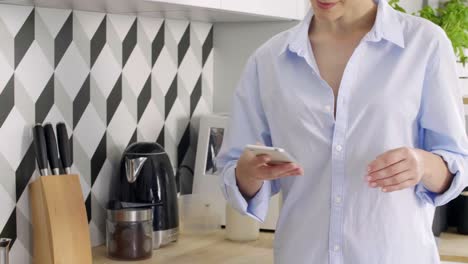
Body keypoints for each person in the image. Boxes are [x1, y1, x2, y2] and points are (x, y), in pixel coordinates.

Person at [216, 0, 468, 263]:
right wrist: (247, 173)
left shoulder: (424, 43)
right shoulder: (268, 59)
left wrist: (422, 165)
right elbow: (235, 168)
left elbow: (457, 161)